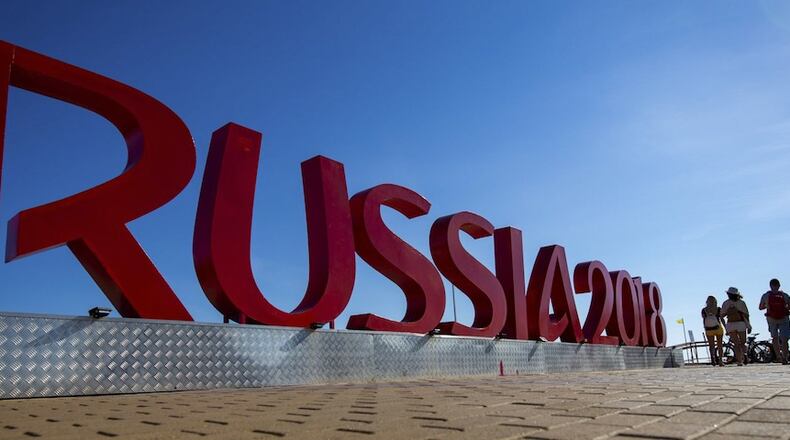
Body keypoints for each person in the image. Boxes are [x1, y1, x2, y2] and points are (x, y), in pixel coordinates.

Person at [759, 278, 790, 365]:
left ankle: (778, 356)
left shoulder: (766, 295)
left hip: (771, 318)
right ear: (779, 285)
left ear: (770, 285)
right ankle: (785, 357)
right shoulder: (784, 295)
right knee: (784, 339)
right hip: (784, 318)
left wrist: (768, 306)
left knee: (775, 338)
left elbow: (760, 307)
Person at [721, 287, 751, 366]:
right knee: (743, 342)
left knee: (736, 344)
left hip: (731, 324)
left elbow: (722, 316)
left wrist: (725, 326)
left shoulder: (726, 303)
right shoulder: (741, 303)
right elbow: (747, 315)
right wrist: (749, 325)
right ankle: (744, 355)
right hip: (741, 323)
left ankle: (739, 361)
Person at [701, 296, 725, 366]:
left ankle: (713, 359)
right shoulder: (718, 309)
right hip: (718, 328)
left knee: (711, 345)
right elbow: (722, 319)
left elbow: (704, 320)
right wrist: (725, 327)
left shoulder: (704, 310)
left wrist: (705, 327)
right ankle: (720, 361)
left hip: (709, 329)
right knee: (720, 345)